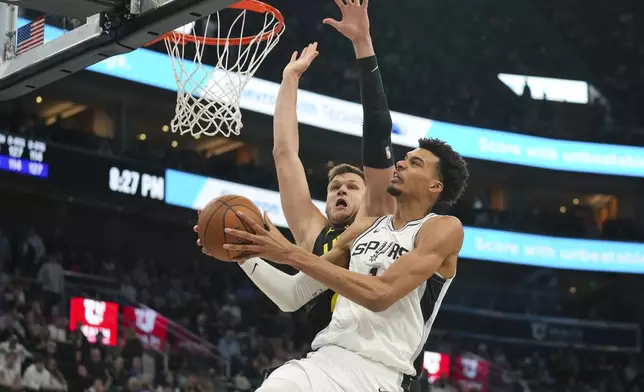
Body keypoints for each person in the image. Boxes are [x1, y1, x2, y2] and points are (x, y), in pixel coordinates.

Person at [221, 137, 469, 392]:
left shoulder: (443, 228)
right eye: (404, 159)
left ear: (435, 186)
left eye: (415, 163)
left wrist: (290, 254)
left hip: (379, 376)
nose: (401, 164)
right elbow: (293, 294)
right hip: (324, 360)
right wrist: (244, 255)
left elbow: (381, 294)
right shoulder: (367, 226)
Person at [240, 0, 395, 344]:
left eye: (352, 186)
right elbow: (284, 155)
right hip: (325, 354)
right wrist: (289, 79)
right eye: (334, 187)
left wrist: (363, 43)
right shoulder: (313, 234)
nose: (340, 190)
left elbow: (378, 129)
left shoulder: (376, 217)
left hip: (376, 354)